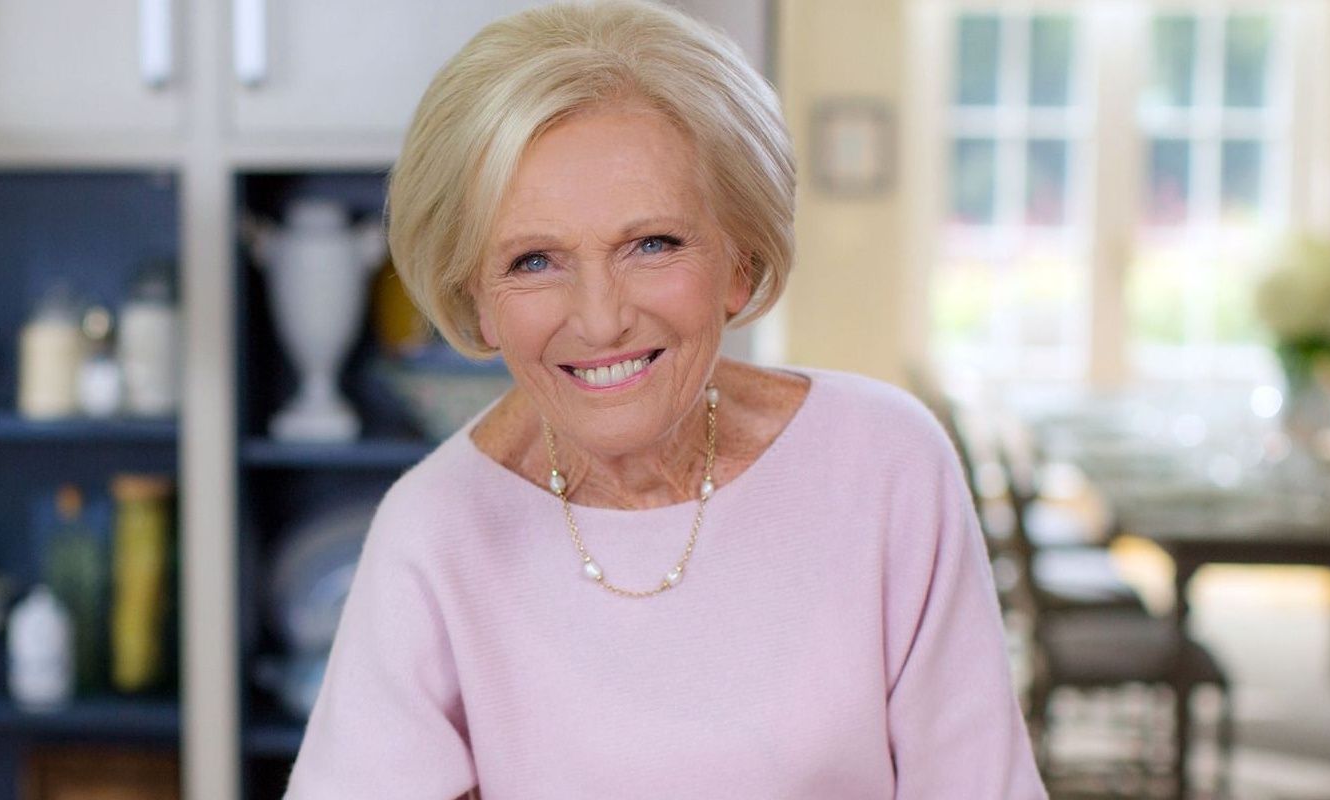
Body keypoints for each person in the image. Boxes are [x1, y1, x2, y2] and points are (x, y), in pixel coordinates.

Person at [284, 1, 1046, 797]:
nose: (602, 317)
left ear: (740, 262)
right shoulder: (435, 530)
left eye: (653, 245)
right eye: (535, 260)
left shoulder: (887, 465)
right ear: (477, 298)